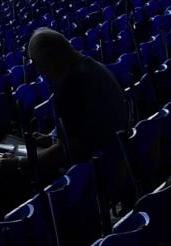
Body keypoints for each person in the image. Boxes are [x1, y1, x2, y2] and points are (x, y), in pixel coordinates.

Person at [25, 27, 134, 201]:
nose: (41, 72)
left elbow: (65, 152)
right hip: (119, 158)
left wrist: (22, 163)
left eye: (39, 64)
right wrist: (52, 138)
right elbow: (84, 129)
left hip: (99, 171)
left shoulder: (70, 86)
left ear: (52, 58)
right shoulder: (92, 66)